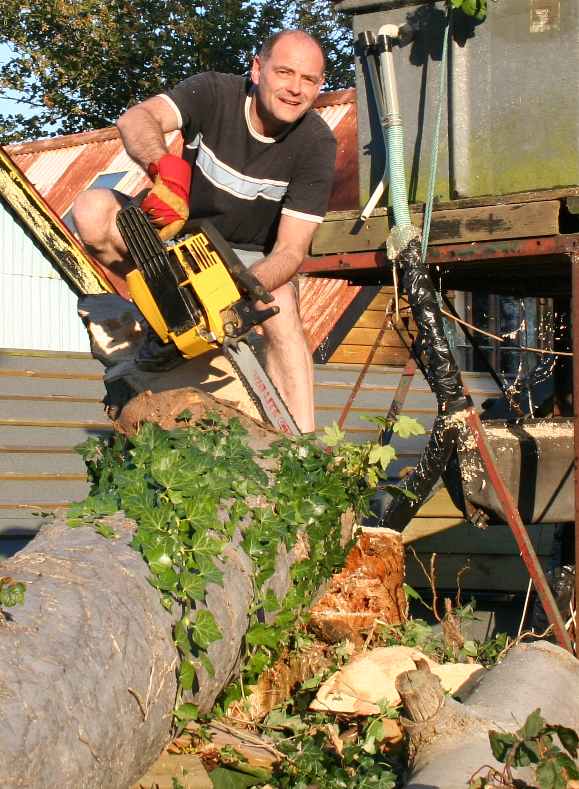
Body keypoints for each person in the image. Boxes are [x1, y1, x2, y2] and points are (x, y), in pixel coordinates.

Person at [72, 29, 337, 433]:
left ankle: (301, 442)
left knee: (281, 301)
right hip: (178, 238)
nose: (295, 89)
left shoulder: (316, 142)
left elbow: (290, 251)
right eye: (285, 72)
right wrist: (164, 168)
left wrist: (236, 291)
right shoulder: (213, 92)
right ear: (257, 69)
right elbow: (136, 119)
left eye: (309, 80)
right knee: (91, 209)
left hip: (244, 260)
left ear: (319, 86)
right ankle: (161, 309)